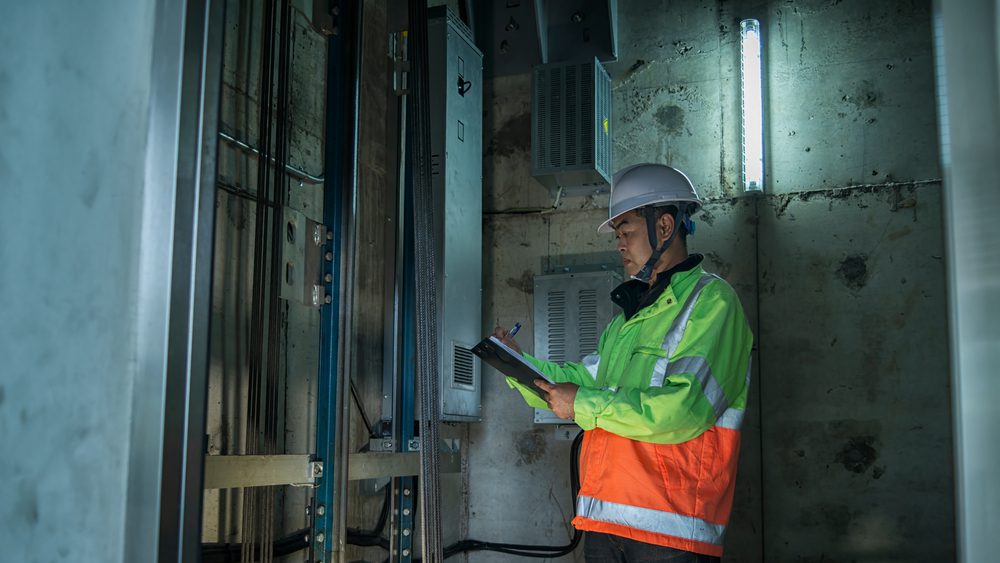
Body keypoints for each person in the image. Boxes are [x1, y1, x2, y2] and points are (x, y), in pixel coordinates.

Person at [494, 163, 753, 562]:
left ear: (664, 227)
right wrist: (515, 363)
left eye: (626, 231)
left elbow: (682, 410)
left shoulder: (711, 304)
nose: (619, 244)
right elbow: (584, 381)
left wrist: (582, 403)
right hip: (605, 524)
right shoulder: (626, 322)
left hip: (671, 533)